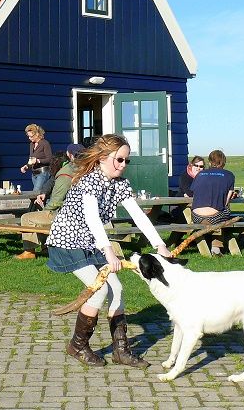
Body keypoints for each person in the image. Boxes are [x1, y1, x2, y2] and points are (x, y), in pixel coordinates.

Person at [47, 134, 170, 368]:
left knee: (117, 288)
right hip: (68, 242)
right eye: (119, 160)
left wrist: (159, 245)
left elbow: (138, 216)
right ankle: (77, 345)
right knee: (99, 290)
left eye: (126, 161)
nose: (123, 165)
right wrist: (109, 251)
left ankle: (120, 351)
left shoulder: (120, 184)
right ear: (103, 158)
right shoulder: (88, 181)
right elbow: (93, 219)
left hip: (91, 241)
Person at [15, 144, 84, 260]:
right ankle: (46, 246)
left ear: (69, 155)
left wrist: (46, 210)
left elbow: (56, 202)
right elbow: (52, 180)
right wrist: (44, 193)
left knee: (27, 218)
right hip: (80, 213)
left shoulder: (65, 173)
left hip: (66, 215)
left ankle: (29, 252)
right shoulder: (84, 169)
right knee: (41, 214)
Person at [189, 150, 235, 256]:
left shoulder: (200, 174)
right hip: (215, 217)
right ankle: (216, 248)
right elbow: (226, 201)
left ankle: (212, 246)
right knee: (225, 212)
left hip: (196, 216)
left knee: (220, 216)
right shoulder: (229, 175)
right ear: (223, 162)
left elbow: (194, 193)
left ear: (209, 162)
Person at [20, 124, 53, 192]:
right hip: (34, 173)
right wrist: (26, 166)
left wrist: (38, 161)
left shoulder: (45, 143)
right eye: (28, 136)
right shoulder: (31, 144)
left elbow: (50, 159)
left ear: (37, 134)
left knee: (36, 193)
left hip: (43, 173)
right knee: (39, 195)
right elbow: (31, 160)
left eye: (31, 136)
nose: (29, 138)